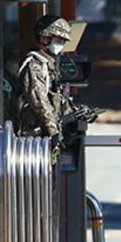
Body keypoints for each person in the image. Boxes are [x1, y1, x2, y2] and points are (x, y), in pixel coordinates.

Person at [17, 15, 73, 147]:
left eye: (63, 41)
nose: (61, 45)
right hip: (33, 137)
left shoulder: (49, 64)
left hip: (44, 134)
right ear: (44, 38)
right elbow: (39, 101)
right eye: (58, 40)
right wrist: (53, 131)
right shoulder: (35, 65)